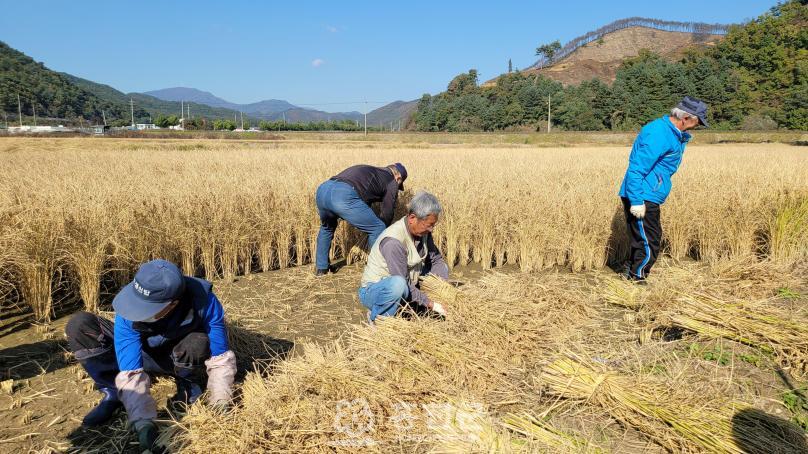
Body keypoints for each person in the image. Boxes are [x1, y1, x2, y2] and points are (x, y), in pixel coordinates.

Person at [65, 259, 237, 452]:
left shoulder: (204, 300)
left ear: (172, 304)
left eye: (148, 308)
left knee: (198, 342)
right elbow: (130, 370)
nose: (137, 312)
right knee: (79, 325)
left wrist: (221, 401)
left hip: (175, 353)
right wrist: (143, 423)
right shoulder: (130, 306)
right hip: (143, 352)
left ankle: (187, 382)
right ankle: (113, 391)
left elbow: (220, 358)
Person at [618, 96, 709, 282]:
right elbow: (636, 168)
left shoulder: (671, 133)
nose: (697, 126)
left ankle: (632, 271)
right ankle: (637, 278)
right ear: (686, 118)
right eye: (697, 122)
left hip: (648, 192)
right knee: (649, 240)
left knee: (644, 238)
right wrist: (636, 201)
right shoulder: (660, 134)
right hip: (643, 195)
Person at [358, 190, 449, 321]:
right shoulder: (393, 242)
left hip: (406, 284)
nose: (431, 230)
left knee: (443, 269)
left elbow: (436, 261)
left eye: (433, 225)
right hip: (375, 290)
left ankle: (409, 305)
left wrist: (443, 290)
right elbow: (403, 282)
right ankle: (379, 316)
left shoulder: (424, 233)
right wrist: (431, 304)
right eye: (429, 225)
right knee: (399, 285)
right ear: (412, 218)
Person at [315, 163, 407, 275]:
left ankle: (321, 268)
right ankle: (375, 269)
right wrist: (384, 230)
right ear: (398, 178)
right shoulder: (391, 181)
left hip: (323, 190)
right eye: (399, 185)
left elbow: (363, 197)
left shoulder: (372, 170)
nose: (397, 188)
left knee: (327, 228)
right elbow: (388, 212)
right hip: (342, 195)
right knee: (378, 227)